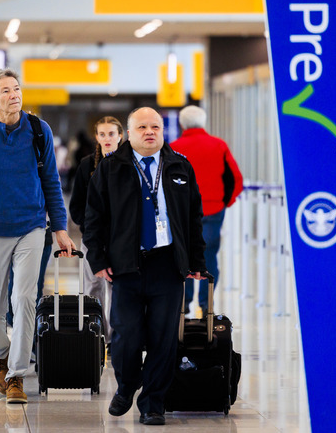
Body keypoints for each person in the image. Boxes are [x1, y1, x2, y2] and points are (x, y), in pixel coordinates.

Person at [83, 107, 206, 426]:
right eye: (142, 127)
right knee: (125, 336)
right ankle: (126, 386)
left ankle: (153, 403)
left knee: (164, 339)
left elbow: (193, 217)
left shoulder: (180, 166)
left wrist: (196, 260)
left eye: (155, 127)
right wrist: (98, 259)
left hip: (168, 264)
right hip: (126, 264)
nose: (150, 132)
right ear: (129, 133)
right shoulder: (111, 168)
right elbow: (93, 217)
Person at [0, 68, 74, 404]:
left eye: (17, 89)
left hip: (31, 227)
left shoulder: (39, 130)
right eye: (6, 90)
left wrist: (60, 228)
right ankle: (0, 353)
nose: (14, 95)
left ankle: (17, 375)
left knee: (24, 299)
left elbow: (51, 180)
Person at [171, 105, 242, 316]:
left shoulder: (173, 148)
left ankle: (183, 304)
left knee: (183, 256)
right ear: (203, 122)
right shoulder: (219, 145)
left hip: (182, 212)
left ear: (182, 124)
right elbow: (235, 178)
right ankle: (205, 303)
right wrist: (226, 202)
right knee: (208, 255)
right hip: (213, 207)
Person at [69, 116, 124, 346]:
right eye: (102, 134)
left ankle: (116, 337)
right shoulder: (87, 165)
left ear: (120, 136)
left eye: (111, 134)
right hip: (93, 238)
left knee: (118, 288)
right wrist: (88, 227)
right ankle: (97, 335)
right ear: (96, 137)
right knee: (93, 286)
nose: (107, 138)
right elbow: (77, 205)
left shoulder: (129, 163)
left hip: (121, 239)